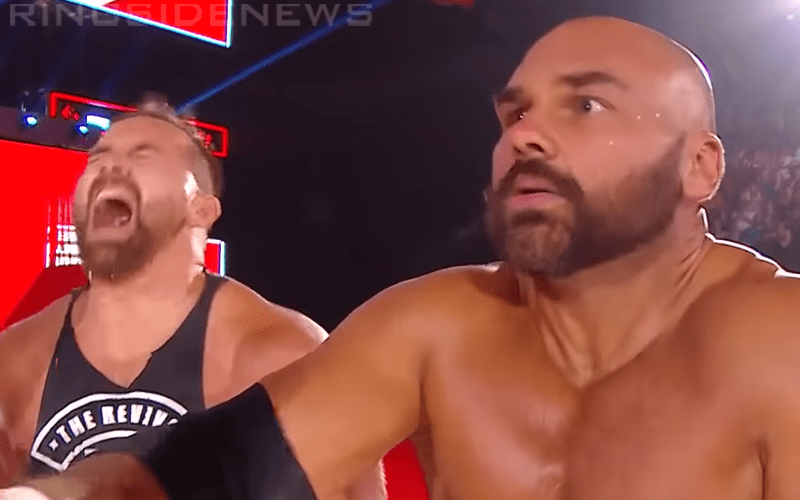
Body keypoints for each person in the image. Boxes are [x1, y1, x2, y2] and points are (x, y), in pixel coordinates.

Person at [7, 15, 800, 500]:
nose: (525, 135)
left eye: (586, 105)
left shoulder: (777, 340)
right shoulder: (437, 326)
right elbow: (205, 477)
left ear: (700, 166)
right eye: (514, 114)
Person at [0, 96, 384, 499]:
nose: (109, 167)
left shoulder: (282, 354)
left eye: (143, 156)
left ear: (201, 210)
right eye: (98, 158)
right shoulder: (16, 361)